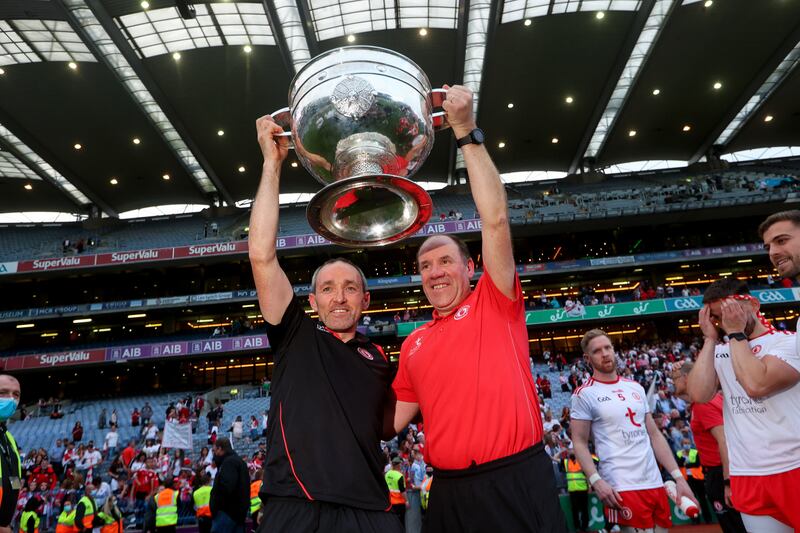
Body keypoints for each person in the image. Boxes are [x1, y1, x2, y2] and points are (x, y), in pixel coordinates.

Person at [390, 85, 565, 532]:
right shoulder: (413, 344)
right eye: (425, 266)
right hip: (448, 493)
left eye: (445, 260)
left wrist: (466, 132)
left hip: (517, 479)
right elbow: (387, 422)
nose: (435, 272)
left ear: (470, 267)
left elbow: (495, 218)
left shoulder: (496, 300)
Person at [250, 115, 402, 532]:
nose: (339, 296)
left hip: (371, 510)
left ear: (365, 300)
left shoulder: (378, 357)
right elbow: (262, 256)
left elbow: (388, 426)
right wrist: (271, 165)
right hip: (296, 506)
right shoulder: (295, 334)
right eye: (329, 288)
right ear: (312, 301)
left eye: (350, 288)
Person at [685, 279, 800, 532]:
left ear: (755, 305)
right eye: (718, 317)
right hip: (748, 474)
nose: (726, 320)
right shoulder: (720, 351)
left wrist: (736, 334)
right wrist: (709, 339)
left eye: (732, 311)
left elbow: (756, 384)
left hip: (794, 468)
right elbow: (698, 393)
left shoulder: (789, 342)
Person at [570, 329, 697, 533]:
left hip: (653, 481)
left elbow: (654, 434)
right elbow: (579, 442)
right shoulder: (584, 394)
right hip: (621, 485)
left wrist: (679, 478)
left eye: (607, 348)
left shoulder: (635, 388)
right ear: (588, 358)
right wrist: (596, 480)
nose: (604, 354)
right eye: (597, 351)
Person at [672, 361, 746, 533]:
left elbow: (724, 440)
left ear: (685, 378)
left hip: (721, 473)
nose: (672, 382)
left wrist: (728, 482)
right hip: (723, 471)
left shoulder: (703, 403)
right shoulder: (705, 399)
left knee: (734, 526)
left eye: (674, 378)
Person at [209, 437, 248, 533]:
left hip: (226, 513)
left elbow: (226, 488)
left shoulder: (228, 463)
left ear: (220, 448)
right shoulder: (238, 462)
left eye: (215, 450)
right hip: (238, 513)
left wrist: (216, 506)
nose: (214, 454)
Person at [0, 375, 22, 533]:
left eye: (16, 394)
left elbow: (13, 479)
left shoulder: (9, 438)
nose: (11, 399)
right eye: (3, 392)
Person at [564, 452, 589, 533]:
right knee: (574, 510)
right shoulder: (566, 462)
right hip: (572, 490)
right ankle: (577, 527)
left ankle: (584, 527)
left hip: (582, 489)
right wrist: (562, 451)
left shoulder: (582, 461)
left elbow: (587, 474)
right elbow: (553, 458)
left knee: (584, 509)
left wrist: (590, 486)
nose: (571, 451)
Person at [385, 457, 407, 524]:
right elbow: (402, 491)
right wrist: (407, 501)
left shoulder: (387, 474)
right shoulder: (399, 476)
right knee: (401, 522)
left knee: (392, 522)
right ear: (398, 465)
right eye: (401, 464)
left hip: (390, 502)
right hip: (399, 503)